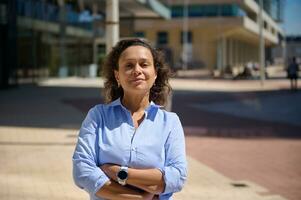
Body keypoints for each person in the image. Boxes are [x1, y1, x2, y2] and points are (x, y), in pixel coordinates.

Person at [72, 38, 187, 200]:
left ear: (155, 74)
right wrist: (141, 197)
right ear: (117, 76)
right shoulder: (97, 117)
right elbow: (82, 172)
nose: (137, 70)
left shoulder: (170, 123)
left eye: (144, 64)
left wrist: (118, 172)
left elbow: (177, 177)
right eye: (129, 65)